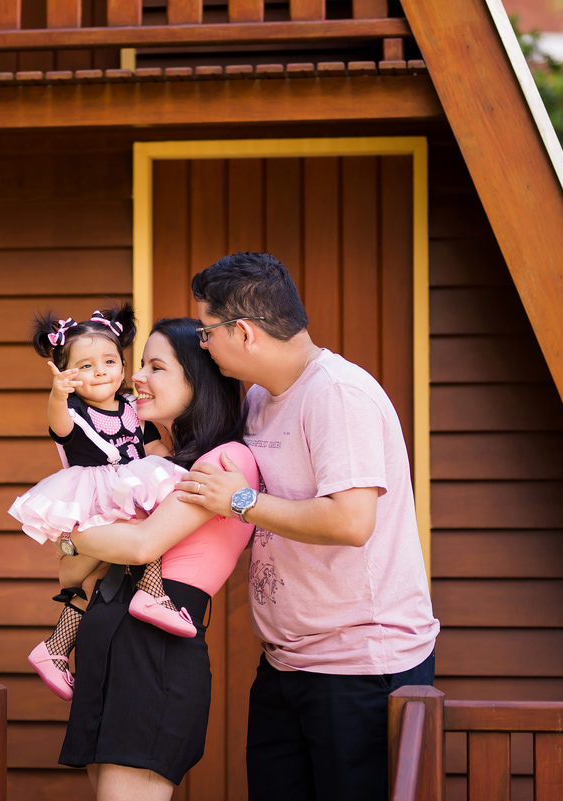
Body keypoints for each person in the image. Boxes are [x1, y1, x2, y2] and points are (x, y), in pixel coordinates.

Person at [178, 252, 440, 801]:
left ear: (243, 332)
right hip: (285, 662)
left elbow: (351, 520)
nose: (203, 345)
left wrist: (242, 502)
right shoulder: (257, 398)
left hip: (359, 667)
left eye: (206, 332)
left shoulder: (337, 395)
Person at [57, 317, 258, 801]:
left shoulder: (226, 461)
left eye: (156, 366)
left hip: (154, 652)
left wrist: (72, 535)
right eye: (141, 364)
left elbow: (141, 546)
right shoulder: (151, 465)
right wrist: (78, 545)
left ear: (198, 379)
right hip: (104, 643)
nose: (137, 376)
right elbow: (69, 572)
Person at [9, 306, 202, 703]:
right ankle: (152, 592)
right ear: (68, 374)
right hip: (96, 494)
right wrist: (58, 394)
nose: (100, 372)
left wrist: (175, 467)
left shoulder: (133, 407)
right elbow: (59, 425)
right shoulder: (73, 412)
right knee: (140, 525)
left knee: (95, 577)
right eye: (85, 366)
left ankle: (55, 648)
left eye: (109, 361)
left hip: (127, 485)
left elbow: (152, 449)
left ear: (123, 366)